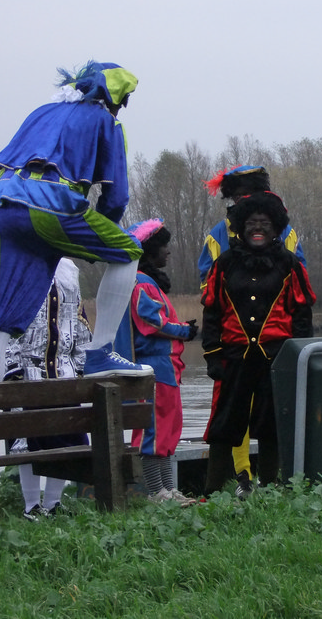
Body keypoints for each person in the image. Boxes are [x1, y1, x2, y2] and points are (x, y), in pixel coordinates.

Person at [0, 61, 150, 460]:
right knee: (129, 252)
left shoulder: (42, 112)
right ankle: (100, 352)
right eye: (125, 100)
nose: (123, 108)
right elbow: (116, 196)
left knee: (0, 323)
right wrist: (101, 238)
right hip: (48, 206)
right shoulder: (106, 121)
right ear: (113, 96)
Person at [197, 164, 306, 488]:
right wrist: (214, 353)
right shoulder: (219, 243)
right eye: (240, 196)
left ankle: (268, 484)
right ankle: (229, 480)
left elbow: (300, 305)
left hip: (275, 354)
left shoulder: (287, 246)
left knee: (272, 421)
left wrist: (299, 355)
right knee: (227, 421)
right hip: (234, 354)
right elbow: (211, 301)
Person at [115, 219, 199, 506]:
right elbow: (152, 323)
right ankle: (156, 492)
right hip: (153, 366)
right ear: (150, 250)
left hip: (167, 366)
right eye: (163, 246)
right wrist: (184, 331)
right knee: (154, 428)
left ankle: (169, 490)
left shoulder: (148, 283)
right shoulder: (140, 282)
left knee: (170, 428)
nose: (168, 251)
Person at [3, 258, 90, 520]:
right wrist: (13, 369)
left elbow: (79, 319)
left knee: (63, 439)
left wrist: (80, 366)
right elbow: (6, 325)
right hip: (27, 373)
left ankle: (52, 503)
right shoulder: (18, 265)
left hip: (64, 372)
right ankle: (31, 505)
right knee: (27, 443)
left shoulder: (69, 270)